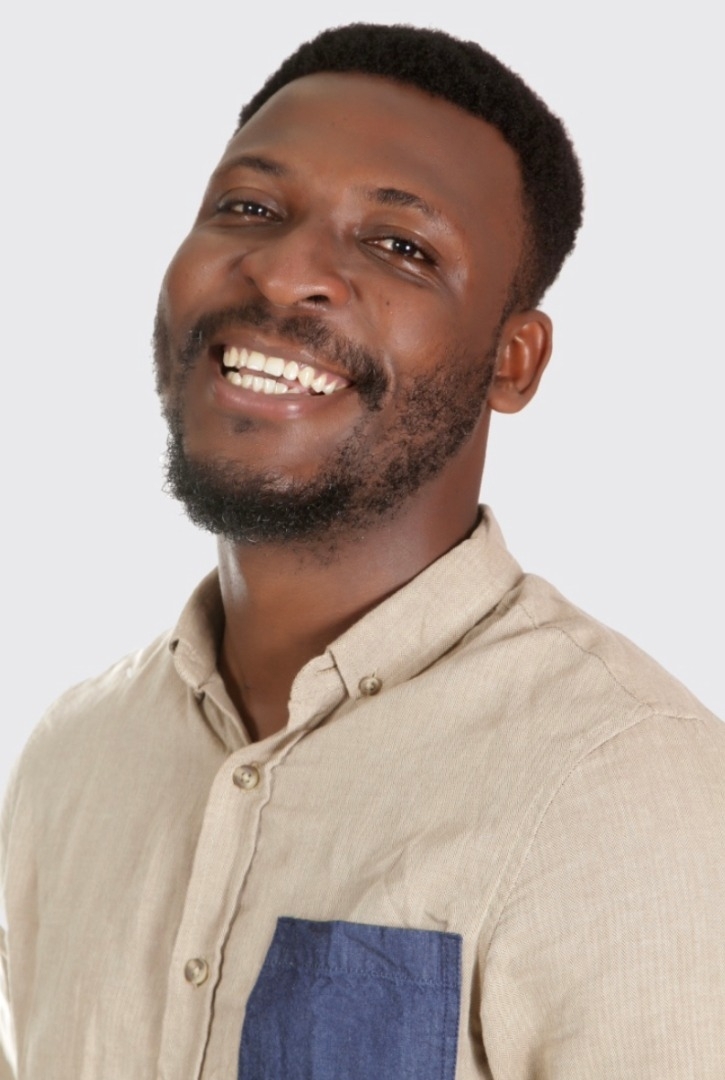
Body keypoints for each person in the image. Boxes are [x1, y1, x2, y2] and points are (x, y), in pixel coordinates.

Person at [1, 21, 723, 1080]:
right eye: (249, 209)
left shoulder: (625, 787)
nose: (283, 271)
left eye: (401, 248)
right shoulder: (74, 759)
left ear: (512, 362)